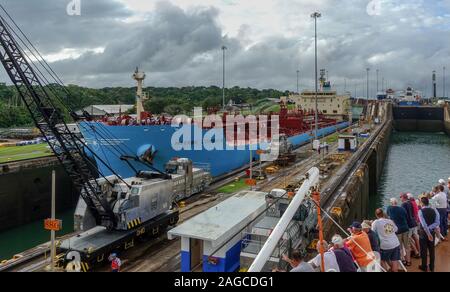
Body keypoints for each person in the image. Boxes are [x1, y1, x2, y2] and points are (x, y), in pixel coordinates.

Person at [418, 197, 440, 272]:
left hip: (423, 234)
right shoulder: (434, 210)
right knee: (432, 250)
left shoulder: (420, 211)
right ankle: (432, 267)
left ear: (422, 203)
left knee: (424, 251)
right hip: (432, 232)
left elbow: (424, 225)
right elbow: (437, 222)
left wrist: (427, 232)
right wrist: (430, 229)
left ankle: (424, 266)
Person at [387, 198, 411, 266]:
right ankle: (408, 261)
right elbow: (406, 216)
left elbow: (388, 217)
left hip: (398, 230)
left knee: (400, 246)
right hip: (405, 228)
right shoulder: (402, 209)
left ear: (391, 203)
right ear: (397, 203)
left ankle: (403, 260)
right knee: (407, 246)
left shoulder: (389, 208)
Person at [400, 193, 420, 258]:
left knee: (408, 239)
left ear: (403, 197)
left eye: (401, 197)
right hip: (414, 222)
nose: (400, 199)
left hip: (409, 224)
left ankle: (416, 251)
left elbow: (403, 215)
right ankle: (420, 251)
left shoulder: (403, 204)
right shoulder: (411, 202)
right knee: (415, 237)